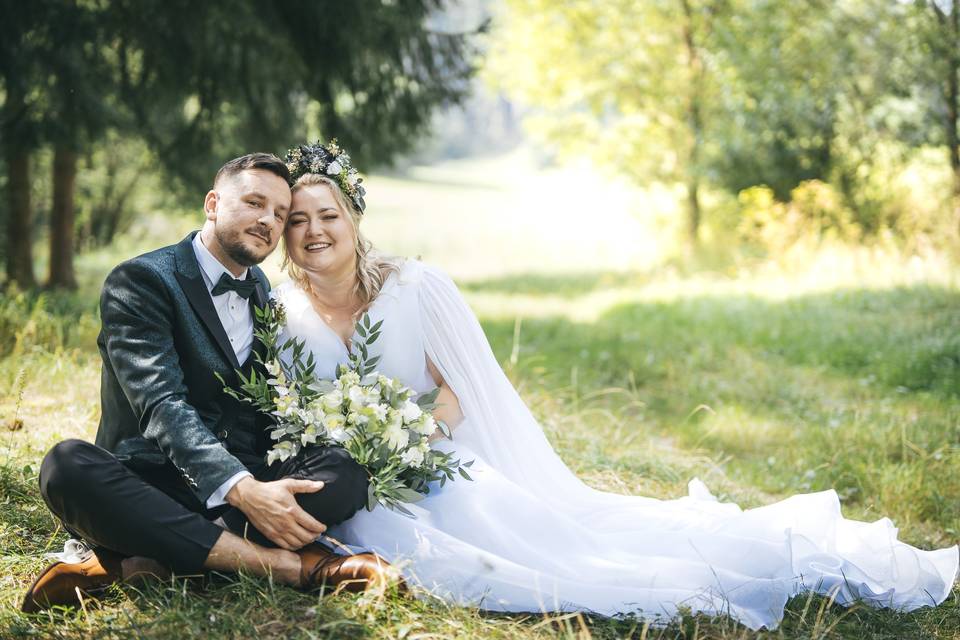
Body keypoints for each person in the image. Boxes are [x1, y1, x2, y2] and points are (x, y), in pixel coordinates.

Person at [274, 141, 959, 631]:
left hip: (432, 461)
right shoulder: (281, 310)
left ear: (354, 218)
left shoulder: (416, 286)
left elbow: (460, 394)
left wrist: (407, 437)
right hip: (356, 487)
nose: (314, 231)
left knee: (550, 546)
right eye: (297, 221)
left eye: (327, 214)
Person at [22, 153, 395, 614]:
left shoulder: (264, 292)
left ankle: (134, 561)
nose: (267, 220)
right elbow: (161, 404)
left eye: (280, 214)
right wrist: (242, 490)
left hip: (236, 486)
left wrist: (266, 480)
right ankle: (291, 568)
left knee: (344, 471)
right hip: (151, 483)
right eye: (254, 202)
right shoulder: (140, 281)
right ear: (213, 203)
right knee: (66, 465)